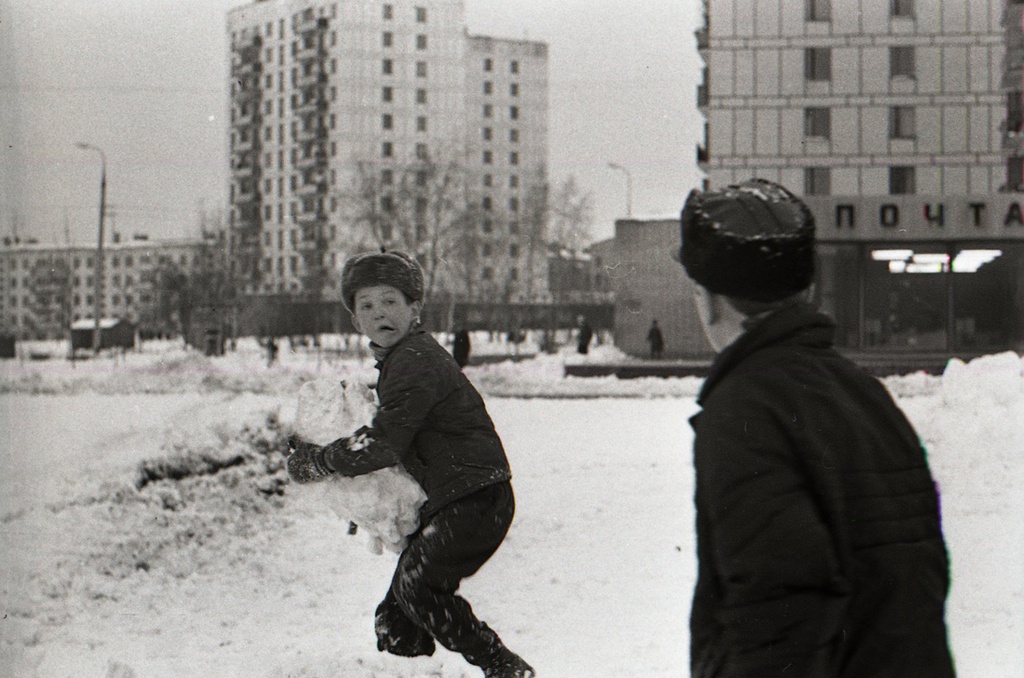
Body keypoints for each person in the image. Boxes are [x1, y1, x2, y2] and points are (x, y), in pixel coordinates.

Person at [676, 179, 955, 678]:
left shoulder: (744, 408)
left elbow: (778, 610)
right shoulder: (861, 391)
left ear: (710, 299)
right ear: (804, 289)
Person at [285, 250, 534, 678]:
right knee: (397, 619)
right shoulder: (401, 362)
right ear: (355, 322)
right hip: (463, 499)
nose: (379, 313)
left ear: (414, 308)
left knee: (417, 590)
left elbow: (383, 444)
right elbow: (393, 435)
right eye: (366, 306)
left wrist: (319, 461)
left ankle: (504, 668)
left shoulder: (416, 361)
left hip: (474, 499)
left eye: (390, 301)